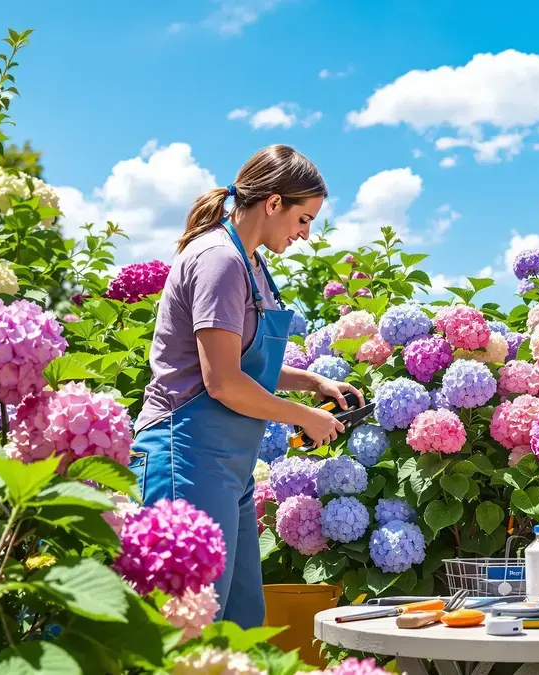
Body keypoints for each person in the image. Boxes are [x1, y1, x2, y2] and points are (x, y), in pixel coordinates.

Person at [129, 144, 363, 628]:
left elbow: (243, 361)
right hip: (185, 454)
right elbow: (223, 382)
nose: (305, 235)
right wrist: (305, 417)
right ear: (273, 203)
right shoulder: (219, 260)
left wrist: (312, 382)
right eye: (304, 220)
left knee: (239, 623)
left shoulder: (252, 263)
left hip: (227, 466)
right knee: (187, 625)